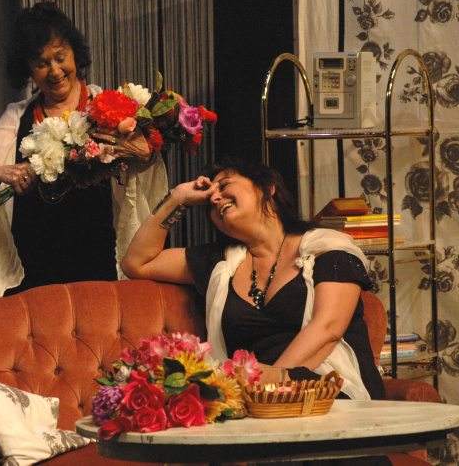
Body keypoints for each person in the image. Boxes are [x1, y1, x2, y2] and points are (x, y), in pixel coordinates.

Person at [121, 158, 385, 402]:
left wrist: (271, 384)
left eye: (225, 185)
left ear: (267, 188)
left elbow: (328, 328)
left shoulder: (327, 247)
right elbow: (136, 262)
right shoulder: (220, 263)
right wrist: (177, 198)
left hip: (328, 390)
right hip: (255, 400)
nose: (214, 198)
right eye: (210, 199)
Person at [0, 2, 167, 299]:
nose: (54, 71)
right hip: (33, 278)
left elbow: (144, 166)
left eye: (60, 57)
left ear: (74, 54)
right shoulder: (17, 116)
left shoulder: (108, 107)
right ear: (28, 69)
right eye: (41, 63)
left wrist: (143, 153)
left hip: (99, 271)